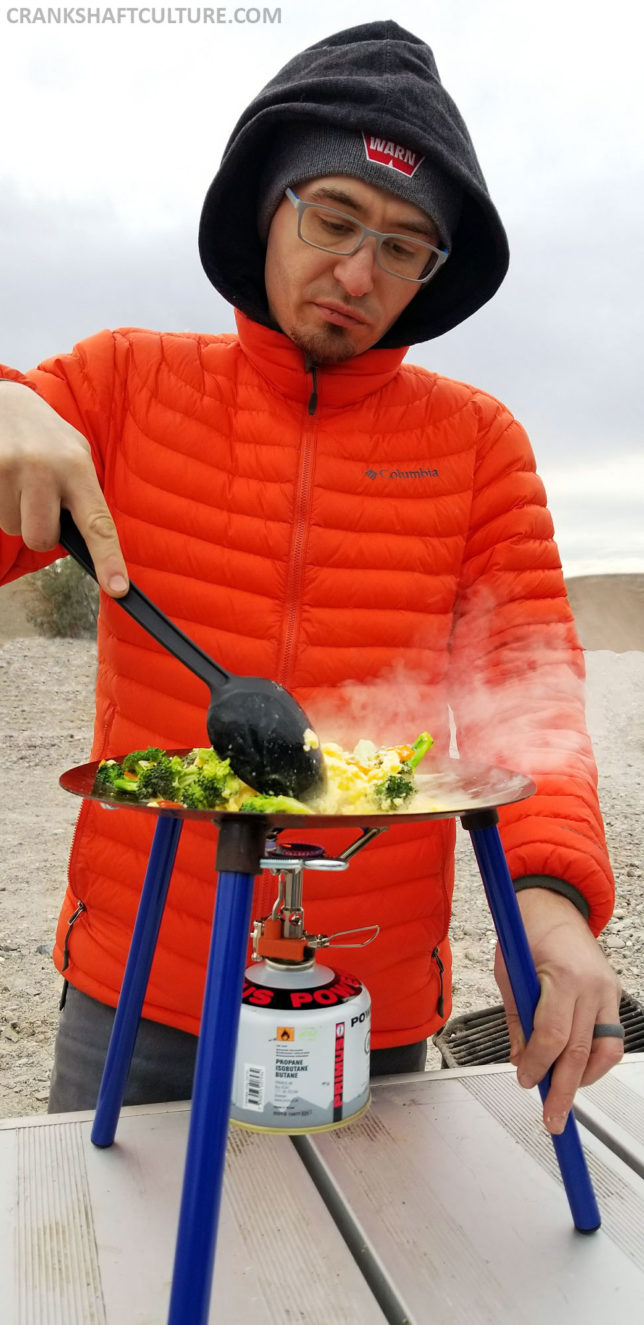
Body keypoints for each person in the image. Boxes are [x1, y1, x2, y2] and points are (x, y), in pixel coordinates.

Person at [0, 21, 623, 1130]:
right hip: (141, 975)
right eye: (331, 219)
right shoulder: (118, 386)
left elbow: (529, 696)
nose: (355, 272)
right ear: (264, 208)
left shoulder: (477, 442)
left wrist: (553, 899)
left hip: (369, 990)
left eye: (400, 247)